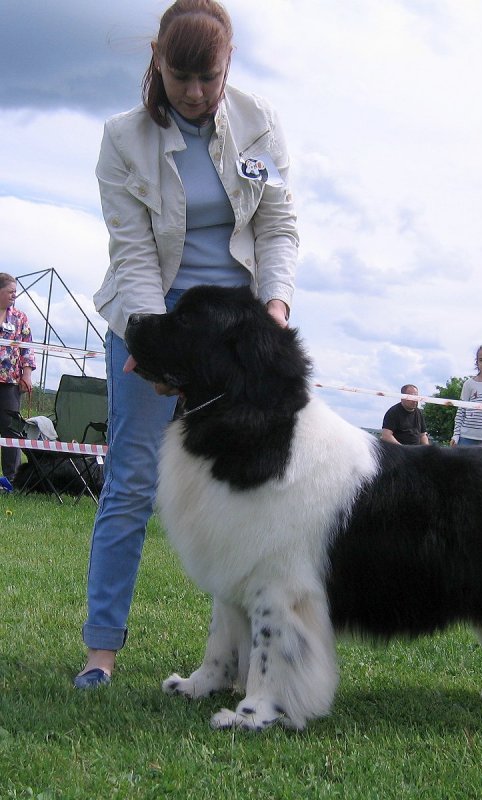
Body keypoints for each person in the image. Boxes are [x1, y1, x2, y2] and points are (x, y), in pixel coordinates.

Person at [74, 0, 299, 689]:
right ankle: (101, 652)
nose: (198, 94)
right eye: (182, 79)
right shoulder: (123, 139)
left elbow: (278, 226)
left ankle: (230, 661)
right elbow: (134, 252)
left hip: (235, 330)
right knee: (134, 482)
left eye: (212, 77)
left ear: (228, 65)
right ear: (158, 64)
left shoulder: (261, 120)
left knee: (245, 494)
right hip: (155, 318)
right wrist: (153, 341)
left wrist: (276, 309)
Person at [0, 273, 36, 485]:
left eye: (15, 292)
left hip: (10, 383)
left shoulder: (20, 318)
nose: (15, 295)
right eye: (10, 291)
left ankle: (12, 479)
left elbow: (27, 349)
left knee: (10, 429)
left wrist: (27, 374)